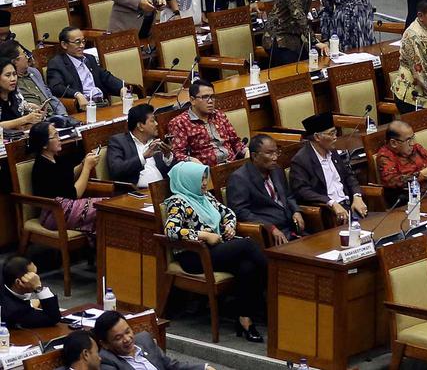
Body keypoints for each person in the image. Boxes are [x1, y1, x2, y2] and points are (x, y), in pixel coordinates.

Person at [161, 161, 267, 341]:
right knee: (248, 245)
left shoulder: (205, 197)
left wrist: (230, 226)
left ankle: (244, 318)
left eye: (205, 179)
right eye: (200, 180)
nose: (204, 183)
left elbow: (228, 213)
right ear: (187, 180)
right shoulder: (177, 202)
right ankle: (276, 280)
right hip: (194, 256)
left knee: (247, 267)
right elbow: (170, 230)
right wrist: (203, 235)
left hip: (216, 250)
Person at [226, 134, 305, 245]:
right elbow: (240, 212)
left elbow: (288, 195)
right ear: (254, 156)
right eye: (269, 153)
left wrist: (296, 211)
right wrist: (269, 227)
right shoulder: (239, 178)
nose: (275, 157)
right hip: (268, 235)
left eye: (276, 152)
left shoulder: (276, 169)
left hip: (291, 227)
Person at [29, 121, 104, 237]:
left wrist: (83, 164)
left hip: (65, 207)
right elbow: (75, 194)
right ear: (44, 145)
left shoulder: (54, 158)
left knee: (108, 207)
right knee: (106, 208)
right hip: (54, 214)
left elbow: (67, 176)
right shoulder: (42, 167)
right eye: (55, 136)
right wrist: (87, 168)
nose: (59, 139)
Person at [290, 112, 368, 220]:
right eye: (331, 134)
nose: (335, 137)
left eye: (335, 132)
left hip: (350, 206)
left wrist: (357, 196)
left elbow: (349, 175)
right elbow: (302, 191)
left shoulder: (333, 151)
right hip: (329, 213)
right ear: (317, 137)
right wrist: (331, 203)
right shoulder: (301, 160)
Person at [95, 310, 211, 370]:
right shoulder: (106, 360)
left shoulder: (144, 339)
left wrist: (204, 368)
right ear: (105, 344)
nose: (127, 339)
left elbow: (171, 365)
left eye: (128, 331)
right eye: (118, 338)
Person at [168, 80, 246, 165]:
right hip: (206, 172)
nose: (210, 101)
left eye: (212, 97)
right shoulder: (180, 123)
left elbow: (235, 141)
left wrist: (246, 151)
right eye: (205, 97)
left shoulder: (219, 115)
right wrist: (191, 161)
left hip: (232, 164)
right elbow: (177, 154)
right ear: (192, 100)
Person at [47, 27, 126, 109]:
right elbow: (56, 87)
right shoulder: (57, 63)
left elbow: (105, 76)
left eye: (83, 41)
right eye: (77, 42)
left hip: (102, 103)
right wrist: (77, 94)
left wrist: (121, 87)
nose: (82, 45)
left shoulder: (89, 58)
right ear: (64, 45)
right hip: (84, 107)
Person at [375, 120, 427, 201]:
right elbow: (392, 182)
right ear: (393, 143)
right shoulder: (385, 156)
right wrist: (420, 176)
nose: (412, 143)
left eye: (413, 138)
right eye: (408, 140)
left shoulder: (417, 148)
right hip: (413, 201)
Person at [107, 103, 174, 188]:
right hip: (136, 193)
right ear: (140, 126)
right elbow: (116, 170)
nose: (156, 124)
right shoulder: (118, 142)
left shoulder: (156, 142)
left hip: (162, 190)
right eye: (152, 121)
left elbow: (169, 172)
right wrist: (143, 157)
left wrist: (167, 155)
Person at [0, 41, 65, 119]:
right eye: (24, 54)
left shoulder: (34, 72)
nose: (28, 57)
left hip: (52, 117)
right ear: (15, 61)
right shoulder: (10, 86)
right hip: (33, 121)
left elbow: (50, 96)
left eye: (14, 74)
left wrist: (63, 115)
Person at [0, 256, 61, 328]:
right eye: (33, 276)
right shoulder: (15, 311)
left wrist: (31, 303)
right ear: (18, 282)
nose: (37, 279)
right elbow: (52, 317)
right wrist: (38, 288)